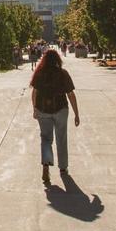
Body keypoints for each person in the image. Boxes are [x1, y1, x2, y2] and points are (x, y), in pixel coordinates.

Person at [29, 47, 79, 185]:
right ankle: (63, 169)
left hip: (43, 110)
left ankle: (46, 164)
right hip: (61, 109)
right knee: (61, 139)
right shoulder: (63, 74)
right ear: (57, 60)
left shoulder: (39, 74)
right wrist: (76, 113)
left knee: (46, 139)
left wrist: (34, 109)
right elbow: (71, 94)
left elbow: (34, 93)